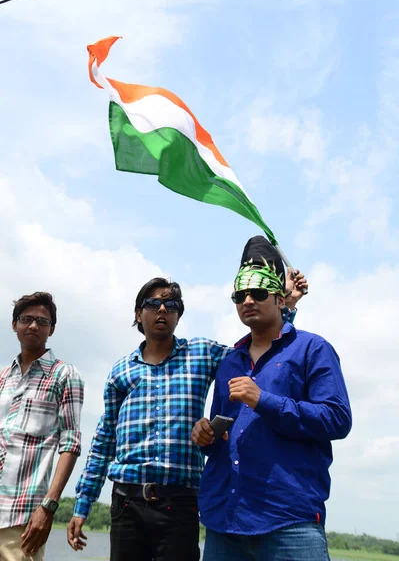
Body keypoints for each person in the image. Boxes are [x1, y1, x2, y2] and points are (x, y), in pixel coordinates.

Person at [68, 264, 307, 561]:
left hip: (179, 503)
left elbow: (256, 355)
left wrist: (287, 306)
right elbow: (104, 440)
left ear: (179, 315)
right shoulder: (121, 371)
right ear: (138, 314)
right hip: (126, 501)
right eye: (153, 304)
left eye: (172, 305)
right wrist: (83, 504)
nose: (162, 310)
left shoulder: (201, 354)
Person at [192, 237, 352, 561]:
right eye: (240, 295)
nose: (248, 300)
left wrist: (264, 400)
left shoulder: (312, 349)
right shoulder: (229, 362)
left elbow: (337, 418)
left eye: (259, 293)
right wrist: (206, 436)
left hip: (289, 522)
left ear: (280, 298)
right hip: (225, 521)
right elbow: (224, 435)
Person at [0, 292, 84, 561]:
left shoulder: (64, 375)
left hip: (22, 516)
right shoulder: (2, 377)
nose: (33, 326)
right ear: (15, 325)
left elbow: (70, 444)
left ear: (52, 329)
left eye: (42, 321)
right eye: (26, 319)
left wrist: (48, 506)